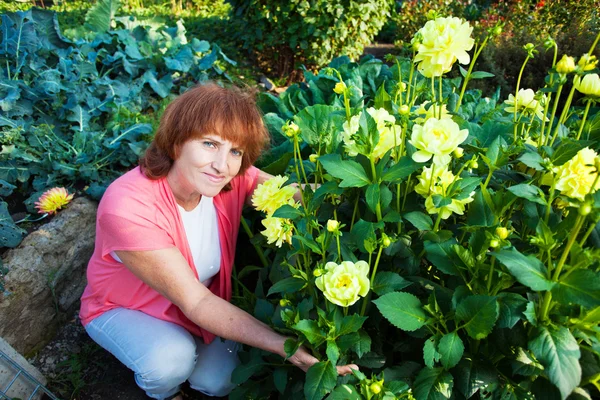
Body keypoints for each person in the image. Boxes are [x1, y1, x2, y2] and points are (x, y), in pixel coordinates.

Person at [79, 82, 356, 400]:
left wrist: (350, 190)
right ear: (176, 141)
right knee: (170, 361)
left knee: (221, 381)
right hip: (128, 309)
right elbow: (196, 301)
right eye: (209, 144)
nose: (222, 164)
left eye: (235, 151)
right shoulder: (127, 208)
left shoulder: (229, 177)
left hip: (194, 305)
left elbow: (290, 193)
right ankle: (165, 393)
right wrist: (287, 347)